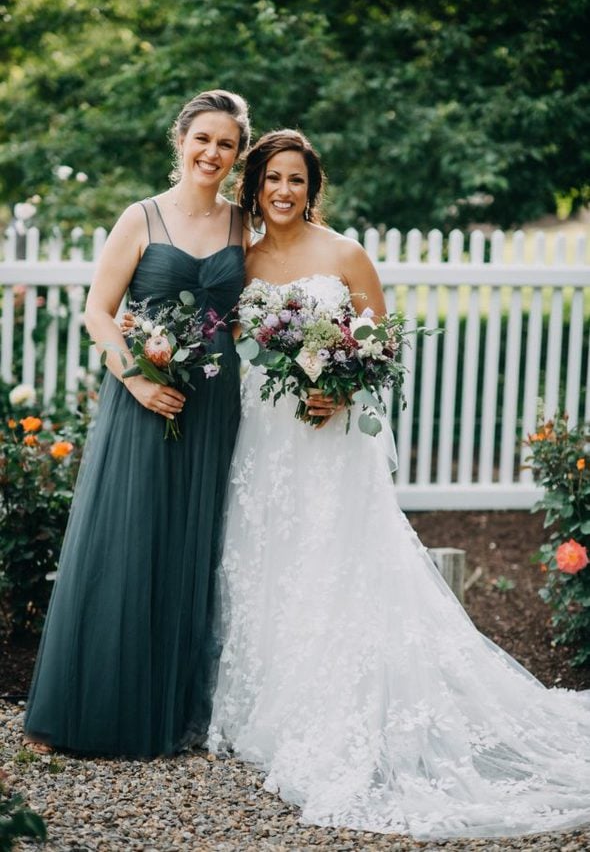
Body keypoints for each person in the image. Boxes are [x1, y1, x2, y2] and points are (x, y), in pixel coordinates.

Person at [208, 129, 590, 839]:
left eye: (296, 179)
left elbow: (380, 348)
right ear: (254, 186)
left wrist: (343, 393)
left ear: (310, 186)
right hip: (264, 437)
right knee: (268, 555)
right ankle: (274, 697)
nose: (284, 191)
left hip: (330, 440)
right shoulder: (243, 259)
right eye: (272, 180)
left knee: (334, 559)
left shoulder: (345, 253)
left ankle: (342, 703)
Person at [24, 89, 250, 758]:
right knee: (130, 538)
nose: (213, 153)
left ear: (238, 155)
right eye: (202, 139)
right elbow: (98, 309)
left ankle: (177, 706)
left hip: (212, 401)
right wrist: (138, 379)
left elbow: (248, 311)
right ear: (180, 140)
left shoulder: (242, 225)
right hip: (144, 394)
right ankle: (102, 707)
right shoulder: (141, 218)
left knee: (193, 540)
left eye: (227, 144)